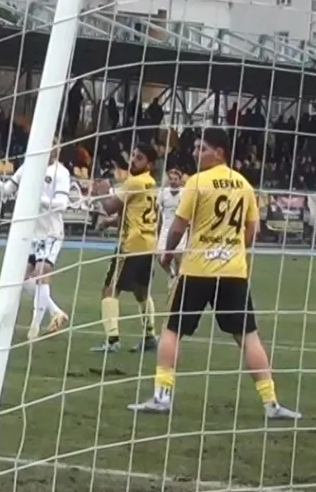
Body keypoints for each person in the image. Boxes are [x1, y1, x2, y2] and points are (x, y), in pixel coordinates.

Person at [128, 128, 300, 419]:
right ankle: (271, 402)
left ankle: (162, 397)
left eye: (202, 148)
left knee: (172, 330)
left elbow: (179, 226)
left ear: (219, 152)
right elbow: (252, 231)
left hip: (197, 269)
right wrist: (232, 248)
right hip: (233, 271)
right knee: (248, 336)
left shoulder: (197, 182)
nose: (196, 153)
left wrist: (167, 253)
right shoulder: (244, 184)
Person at [0, 141, 73, 339]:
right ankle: (56, 312)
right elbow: (6, 191)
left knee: (41, 273)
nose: (53, 149)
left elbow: (61, 204)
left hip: (50, 232)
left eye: (55, 145)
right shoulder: (28, 167)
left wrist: (34, 197)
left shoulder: (61, 173)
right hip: (31, 232)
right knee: (20, 278)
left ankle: (34, 328)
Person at [90, 143, 160, 354]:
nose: (133, 161)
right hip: (148, 245)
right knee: (141, 292)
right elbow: (133, 213)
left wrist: (102, 192)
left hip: (131, 245)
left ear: (149, 164)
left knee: (110, 290)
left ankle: (112, 340)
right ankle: (150, 336)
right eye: (133, 156)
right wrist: (110, 223)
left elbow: (110, 206)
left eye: (139, 158)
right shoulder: (151, 183)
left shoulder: (134, 182)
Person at [156, 167, 187, 279]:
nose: (173, 181)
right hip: (165, 229)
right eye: (171, 179)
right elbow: (158, 211)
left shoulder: (185, 193)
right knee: (160, 258)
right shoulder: (163, 193)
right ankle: (172, 275)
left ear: (180, 180)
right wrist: (157, 229)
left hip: (179, 228)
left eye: (175, 179)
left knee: (178, 257)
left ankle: (178, 280)